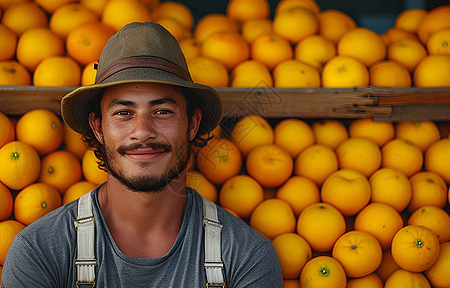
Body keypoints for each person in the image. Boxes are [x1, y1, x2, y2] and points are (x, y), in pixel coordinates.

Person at [1, 22, 283, 287]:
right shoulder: (40, 252)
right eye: (124, 113)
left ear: (192, 124)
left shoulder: (246, 257)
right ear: (98, 127)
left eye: (162, 112)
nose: (143, 131)